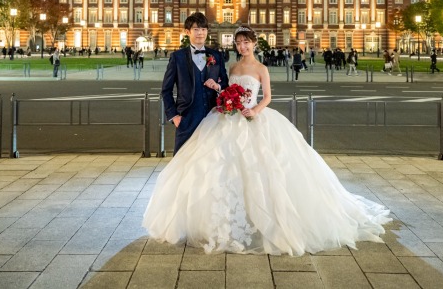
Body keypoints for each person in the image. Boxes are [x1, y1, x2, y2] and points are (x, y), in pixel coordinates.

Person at [143, 25, 391, 255]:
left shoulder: (261, 68)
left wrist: (255, 110)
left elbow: (268, 97)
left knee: (263, 168)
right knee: (218, 166)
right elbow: (227, 90)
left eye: (246, 42)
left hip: (254, 118)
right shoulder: (232, 67)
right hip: (229, 118)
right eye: (239, 43)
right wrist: (221, 92)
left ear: (254, 44)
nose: (242, 46)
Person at [161, 12, 229, 153]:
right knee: (183, 158)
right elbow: (166, 90)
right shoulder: (177, 57)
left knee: (211, 158)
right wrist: (174, 116)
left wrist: (217, 86)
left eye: (203, 29)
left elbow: (225, 84)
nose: (200, 33)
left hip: (212, 116)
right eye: (196, 29)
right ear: (188, 32)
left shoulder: (216, 56)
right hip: (187, 117)